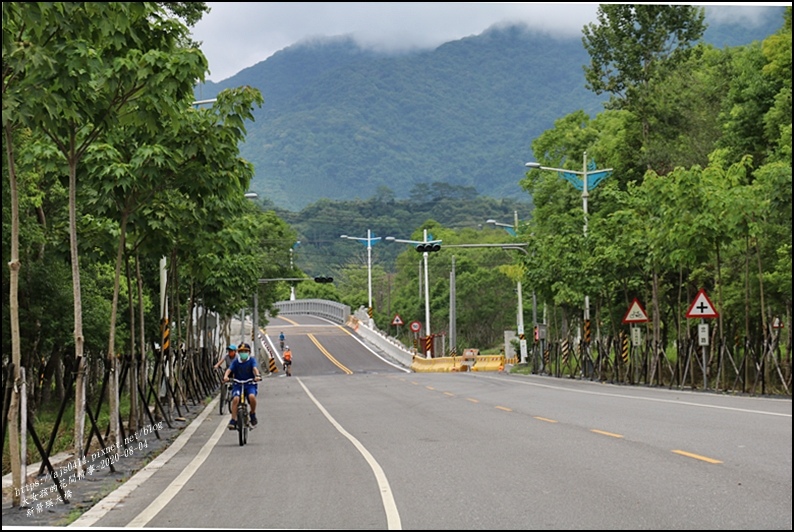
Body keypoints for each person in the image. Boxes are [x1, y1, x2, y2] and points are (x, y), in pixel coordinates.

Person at [223, 342, 262, 429]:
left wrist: (257, 376)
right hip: (238, 384)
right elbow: (229, 370)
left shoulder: (251, 360)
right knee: (236, 399)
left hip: (250, 384)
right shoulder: (236, 362)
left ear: (249, 352)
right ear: (238, 352)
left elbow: (255, 368)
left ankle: (252, 413)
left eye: (245, 351)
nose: (243, 353)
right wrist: (226, 376)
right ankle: (233, 420)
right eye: (241, 351)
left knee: (251, 397)